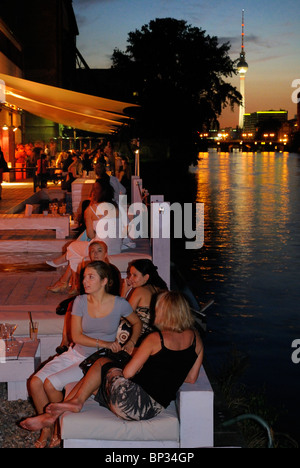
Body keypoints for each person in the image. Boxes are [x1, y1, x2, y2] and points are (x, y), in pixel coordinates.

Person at [20, 291, 203, 431]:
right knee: (92, 377)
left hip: (129, 404)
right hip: (153, 408)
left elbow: (128, 373)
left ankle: (69, 407)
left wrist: (137, 358)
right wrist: (160, 369)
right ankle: (56, 415)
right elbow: (191, 378)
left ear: (164, 312)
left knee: (101, 362)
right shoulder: (196, 339)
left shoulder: (156, 338)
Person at [27, 261, 142, 448]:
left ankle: (57, 428)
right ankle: (47, 427)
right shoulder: (80, 301)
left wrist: (131, 343)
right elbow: (77, 336)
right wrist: (105, 342)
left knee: (50, 384)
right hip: (76, 353)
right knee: (34, 382)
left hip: (95, 361)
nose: (85, 281)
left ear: (104, 281)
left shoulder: (119, 304)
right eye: (84, 277)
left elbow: (137, 324)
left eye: (91, 277)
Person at [122, 259, 168, 342]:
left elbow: (124, 316)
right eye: (130, 274)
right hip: (160, 336)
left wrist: (123, 293)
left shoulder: (140, 291)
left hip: (141, 338)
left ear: (146, 277)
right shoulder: (161, 290)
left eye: (134, 275)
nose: (130, 278)